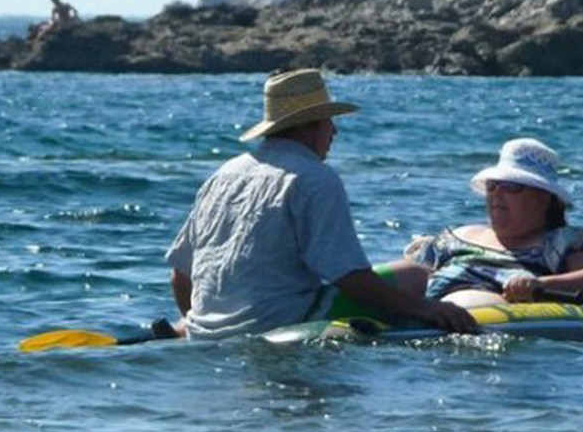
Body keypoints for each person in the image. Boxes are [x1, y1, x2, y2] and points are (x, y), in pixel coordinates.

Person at [165, 69, 478, 338]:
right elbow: (351, 278)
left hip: (203, 331)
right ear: (310, 126)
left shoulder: (224, 174)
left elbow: (180, 275)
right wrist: (425, 308)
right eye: (330, 122)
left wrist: (203, 324)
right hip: (281, 327)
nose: (336, 131)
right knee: (413, 274)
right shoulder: (315, 178)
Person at [396, 138, 583, 304]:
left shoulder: (562, 241)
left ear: (542, 198)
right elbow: (413, 276)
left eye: (511, 186)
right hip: (422, 313)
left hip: (483, 320)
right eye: (493, 185)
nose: (497, 193)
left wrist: (540, 285)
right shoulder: (458, 236)